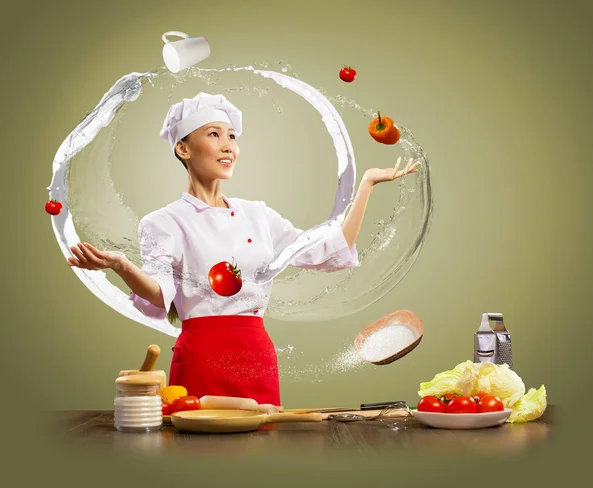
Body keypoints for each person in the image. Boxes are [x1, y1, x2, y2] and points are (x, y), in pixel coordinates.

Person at [67, 92, 420, 406]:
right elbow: (161, 297)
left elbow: (330, 249)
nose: (228, 145)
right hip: (202, 355)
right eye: (214, 134)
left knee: (262, 452)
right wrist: (123, 267)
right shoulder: (163, 222)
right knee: (198, 451)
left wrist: (367, 186)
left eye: (232, 136)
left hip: (256, 354)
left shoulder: (259, 215)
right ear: (183, 149)